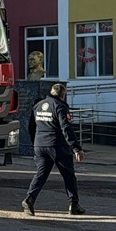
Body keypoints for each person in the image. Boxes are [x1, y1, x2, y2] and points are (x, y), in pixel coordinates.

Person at [22, 83, 86, 216]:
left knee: (41, 173)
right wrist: (76, 148)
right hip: (56, 146)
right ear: (63, 95)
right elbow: (66, 129)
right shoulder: (60, 106)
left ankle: (29, 199)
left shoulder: (38, 105)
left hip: (40, 146)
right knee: (68, 175)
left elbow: (31, 127)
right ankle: (74, 204)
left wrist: (36, 142)